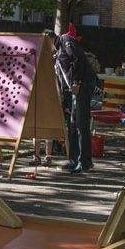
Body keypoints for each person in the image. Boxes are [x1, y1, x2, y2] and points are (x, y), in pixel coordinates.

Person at [54, 28, 96, 174]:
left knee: (80, 124)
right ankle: (73, 160)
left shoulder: (66, 41)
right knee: (72, 125)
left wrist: (77, 82)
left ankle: (84, 162)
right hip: (73, 89)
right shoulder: (58, 50)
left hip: (82, 85)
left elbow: (78, 59)